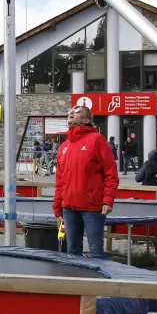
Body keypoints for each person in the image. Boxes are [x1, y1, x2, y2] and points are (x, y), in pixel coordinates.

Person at [53, 105, 118, 259]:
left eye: (77, 112)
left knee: (95, 251)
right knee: (72, 251)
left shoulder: (97, 140)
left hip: (92, 207)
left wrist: (108, 201)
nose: (72, 114)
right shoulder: (64, 147)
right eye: (70, 112)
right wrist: (58, 207)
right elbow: (60, 181)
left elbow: (111, 173)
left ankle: (97, 283)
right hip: (69, 207)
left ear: (87, 119)